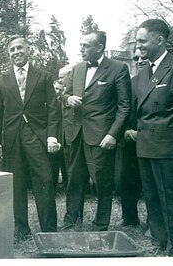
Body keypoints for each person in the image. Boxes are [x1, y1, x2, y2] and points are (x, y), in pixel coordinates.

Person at [0, 35, 60, 240]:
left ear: (28, 49)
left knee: (45, 180)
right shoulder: (1, 80)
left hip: (37, 136)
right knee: (16, 183)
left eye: (19, 48)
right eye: (12, 50)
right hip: (12, 139)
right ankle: (21, 229)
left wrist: (52, 137)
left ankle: (49, 230)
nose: (16, 52)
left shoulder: (43, 76)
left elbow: (54, 110)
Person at [62, 31, 131, 231]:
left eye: (85, 45)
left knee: (102, 181)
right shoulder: (77, 68)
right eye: (81, 44)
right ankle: (71, 219)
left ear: (100, 47)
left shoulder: (118, 68)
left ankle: (100, 224)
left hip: (101, 136)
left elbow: (124, 106)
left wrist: (112, 134)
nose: (81, 48)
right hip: (76, 133)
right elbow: (64, 92)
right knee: (74, 178)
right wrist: (68, 99)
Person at [134, 19, 173, 256]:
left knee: (171, 202)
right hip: (145, 147)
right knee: (152, 199)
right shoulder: (144, 72)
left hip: (170, 150)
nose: (138, 46)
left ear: (160, 40)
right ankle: (159, 242)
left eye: (142, 41)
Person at [116, 49, 147, 227]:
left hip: (152, 139)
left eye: (142, 57)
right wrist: (125, 130)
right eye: (135, 58)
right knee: (126, 181)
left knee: (151, 184)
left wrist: (141, 133)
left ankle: (154, 221)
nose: (139, 60)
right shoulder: (129, 82)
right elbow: (121, 108)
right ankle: (129, 218)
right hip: (129, 141)